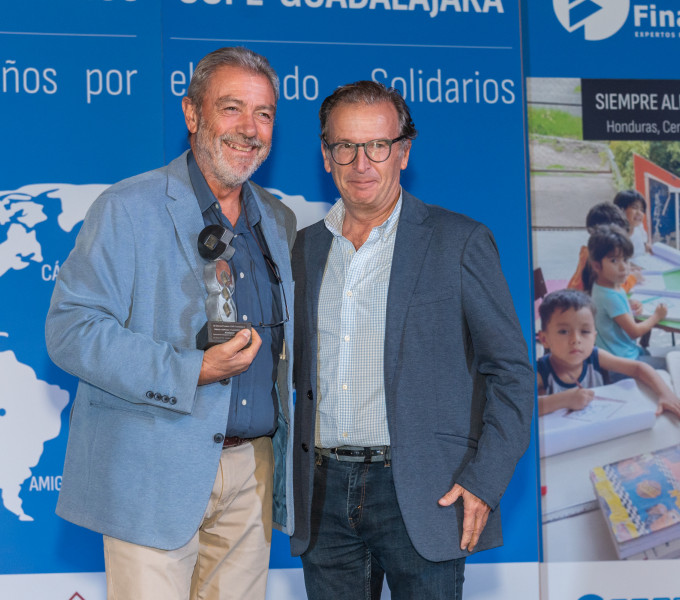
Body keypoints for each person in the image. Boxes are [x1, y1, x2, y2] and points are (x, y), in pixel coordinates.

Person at [45, 47, 296, 600]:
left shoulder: (277, 220)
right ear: (192, 114)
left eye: (264, 114)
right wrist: (191, 370)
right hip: (152, 472)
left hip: (253, 473)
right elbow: (70, 328)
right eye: (232, 108)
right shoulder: (127, 208)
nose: (250, 129)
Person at [290, 80, 534, 600]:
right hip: (323, 496)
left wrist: (484, 480)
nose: (362, 163)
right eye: (345, 147)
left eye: (377, 145)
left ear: (403, 151)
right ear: (325, 155)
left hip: (426, 494)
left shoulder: (459, 241)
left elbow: (511, 374)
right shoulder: (304, 249)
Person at [536, 289, 680, 417]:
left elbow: (639, 368)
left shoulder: (595, 357)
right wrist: (563, 400)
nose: (576, 340)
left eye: (585, 331)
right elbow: (518, 406)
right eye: (563, 331)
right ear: (544, 339)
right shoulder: (542, 371)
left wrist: (666, 395)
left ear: (594, 336)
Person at [588, 224, 667, 367]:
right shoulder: (609, 295)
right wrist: (657, 316)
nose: (623, 266)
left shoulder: (605, 285)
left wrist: (628, 305)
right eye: (614, 260)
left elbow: (611, 310)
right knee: (672, 366)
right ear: (597, 266)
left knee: (657, 357)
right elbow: (635, 332)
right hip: (622, 363)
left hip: (621, 354)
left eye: (625, 259)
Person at [613, 189, 651, 258]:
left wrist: (648, 247)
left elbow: (643, 244)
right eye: (634, 207)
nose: (639, 213)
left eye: (642, 210)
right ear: (621, 209)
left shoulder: (639, 228)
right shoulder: (615, 236)